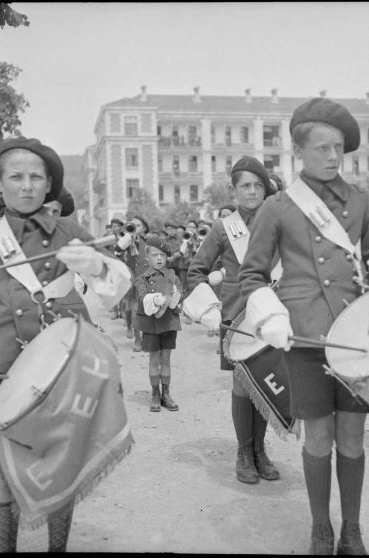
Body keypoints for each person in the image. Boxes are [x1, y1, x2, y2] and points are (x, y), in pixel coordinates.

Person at [0, 137, 132, 553]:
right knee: (4, 470)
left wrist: (97, 266)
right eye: (16, 177)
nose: (26, 186)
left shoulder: (69, 231)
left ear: (48, 186)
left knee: (61, 463)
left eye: (36, 178)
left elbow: (117, 287)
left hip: (64, 367)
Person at [238, 99, 369, 555]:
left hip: (355, 338)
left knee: (352, 435)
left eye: (339, 149)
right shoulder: (279, 206)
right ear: (298, 151)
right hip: (305, 337)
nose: (333, 157)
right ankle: (320, 528)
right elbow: (251, 274)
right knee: (319, 436)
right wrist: (268, 312)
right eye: (323, 148)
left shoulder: (361, 201)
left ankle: (351, 529)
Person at [185, 156, 282, 486]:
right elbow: (195, 272)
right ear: (235, 189)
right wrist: (209, 309)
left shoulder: (278, 223)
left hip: (270, 316)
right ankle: (244, 453)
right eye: (246, 185)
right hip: (237, 319)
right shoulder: (222, 228)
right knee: (243, 386)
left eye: (258, 185)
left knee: (266, 385)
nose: (253, 191)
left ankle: (260, 451)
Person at [133, 237, 182, 412]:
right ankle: (155, 393)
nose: (159, 258)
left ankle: (166, 394)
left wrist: (174, 296)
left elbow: (179, 292)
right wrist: (155, 299)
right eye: (155, 255)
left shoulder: (172, 275)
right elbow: (141, 297)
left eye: (162, 255)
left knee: (166, 358)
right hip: (152, 323)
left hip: (168, 321)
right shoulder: (142, 278)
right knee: (154, 359)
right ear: (147, 258)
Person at [114, 215, 150, 351]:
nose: (135, 227)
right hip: (131, 278)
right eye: (133, 224)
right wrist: (128, 237)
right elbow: (118, 250)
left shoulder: (149, 241)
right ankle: (137, 338)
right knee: (132, 309)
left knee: (146, 310)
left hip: (146, 278)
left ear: (145, 228)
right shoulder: (126, 240)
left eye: (138, 225)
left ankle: (144, 336)